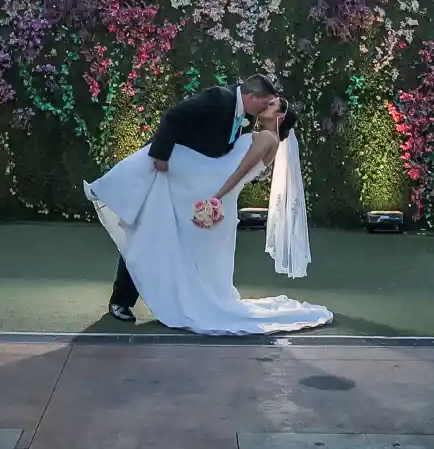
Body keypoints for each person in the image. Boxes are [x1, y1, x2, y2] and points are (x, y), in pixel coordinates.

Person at [85, 80, 331, 335]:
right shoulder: (230, 108)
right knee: (168, 237)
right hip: (197, 184)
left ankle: (183, 299)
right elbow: (180, 121)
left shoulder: (266, 137)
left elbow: (240, 170)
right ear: (252, 96)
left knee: (164, 237)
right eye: (267, 101)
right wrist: (164, 155)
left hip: (207, 192)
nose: (266, 106)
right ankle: (159, 297)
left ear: (279, 116)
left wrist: (215, 198)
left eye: (272, 105)